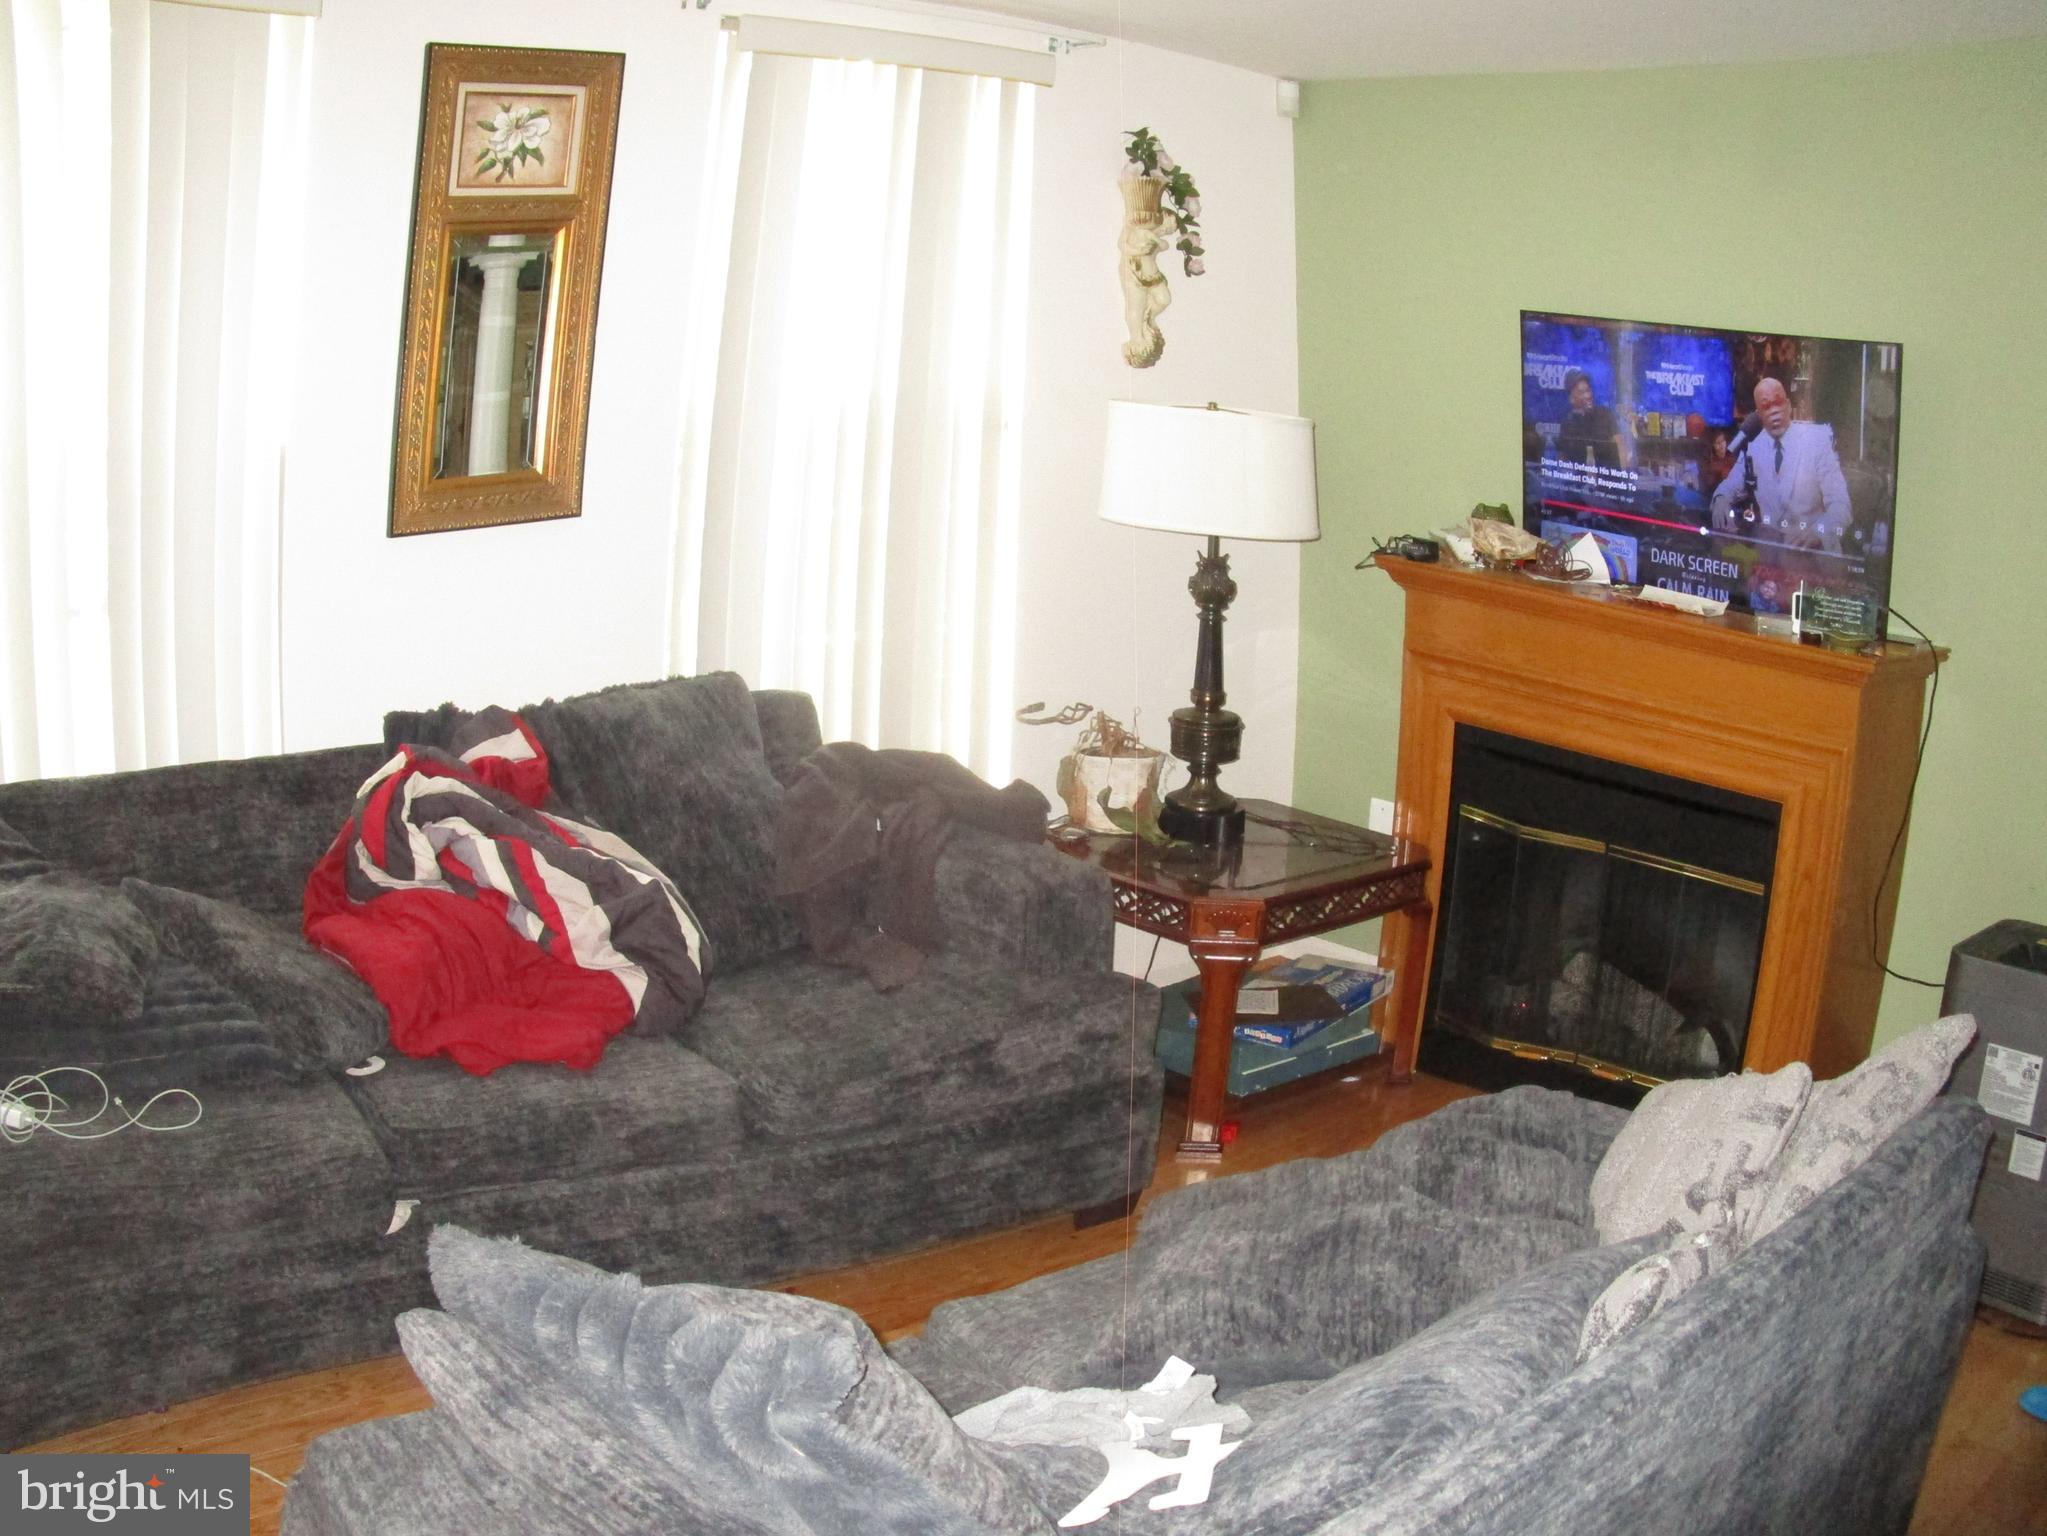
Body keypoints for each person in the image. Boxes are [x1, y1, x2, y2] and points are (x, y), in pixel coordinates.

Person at [1708, 377, 1852, 552]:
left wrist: (1819, 532)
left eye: (1778, 403)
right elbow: (1731, 484)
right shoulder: (1754, 447)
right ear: (1759, 415)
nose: (1774, 411)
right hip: (1772, 554)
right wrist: (1721, 498)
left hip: (1815, 554)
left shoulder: (1817, 441)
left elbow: (1841, 505)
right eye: (1766, 406)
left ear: (1789, 406)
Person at [1554, 370, 1623, 470]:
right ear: (1571, 398)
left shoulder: (1605, 415)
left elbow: (1620, 446)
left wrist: (1625, 474)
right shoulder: (1568, 424)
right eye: (1581, 392)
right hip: (1579, 477)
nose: (1588, 395)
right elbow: (1562, 459)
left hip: (1608, 475)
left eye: (1588, 390)